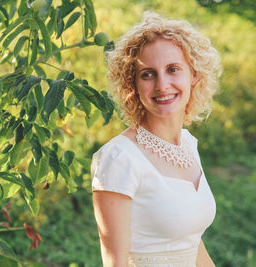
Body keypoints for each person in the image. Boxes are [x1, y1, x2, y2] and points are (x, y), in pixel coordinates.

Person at [91, 11, 222, 267]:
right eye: (148, 74)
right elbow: (114, 263)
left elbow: (192, 244)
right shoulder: (119, 158)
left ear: (193, 75)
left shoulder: (188, 144)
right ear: (133, 84)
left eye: (173, 69)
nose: (162, 85)